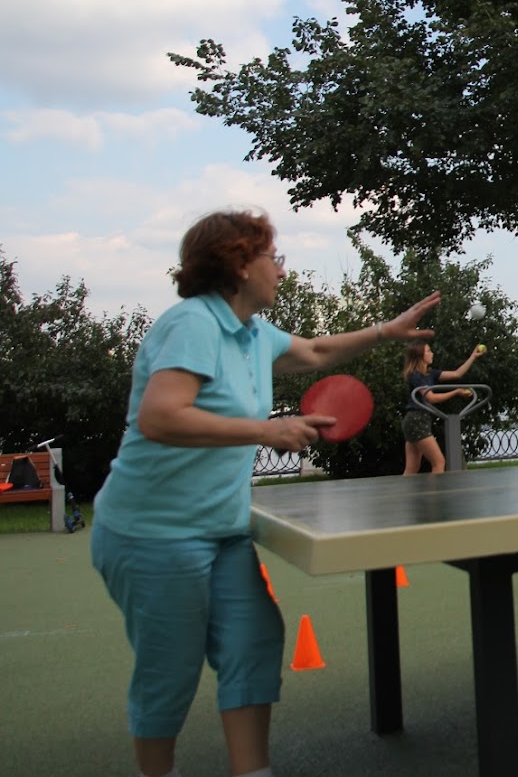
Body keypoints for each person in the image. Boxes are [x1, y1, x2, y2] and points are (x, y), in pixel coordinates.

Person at [90, 209, 440, 777]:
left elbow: (317, 352)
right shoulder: (193, 324)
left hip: (222, 530)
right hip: (153, 531)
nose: (281, 269)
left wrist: (385, 331)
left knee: (253, 643)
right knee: (170, 669)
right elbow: (160, 416)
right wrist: (266, 430)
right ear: (238, 264)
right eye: (272, 258)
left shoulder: (254, 333)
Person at [402, 342, 485, 474]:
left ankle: (409, 489)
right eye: (428, 351)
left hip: (418, 420)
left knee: (412, 468)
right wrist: (456, 392)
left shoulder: (430, 374)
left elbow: (457, 374)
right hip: (417, 420)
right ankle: (435, 488)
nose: (432, 353)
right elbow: (431, 397)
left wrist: (473, 356)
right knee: (439, 462)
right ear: (420, 355)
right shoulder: (415, 375)